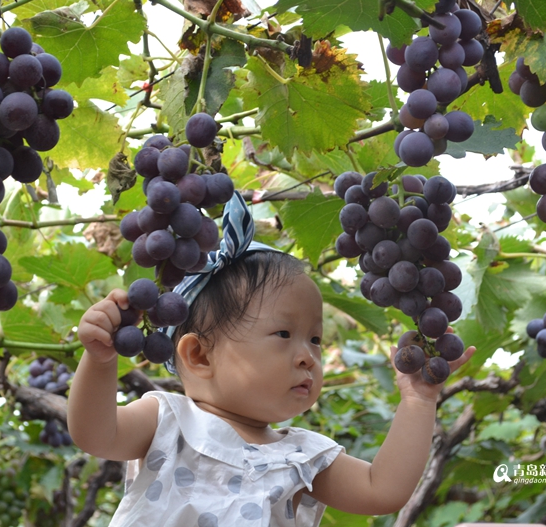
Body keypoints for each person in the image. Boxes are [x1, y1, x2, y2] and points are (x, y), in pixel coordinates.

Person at [68, 192, 475, 526]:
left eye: (314, 339)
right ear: (199, 355)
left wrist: (418, 401)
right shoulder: (168, 421)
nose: (308, 357)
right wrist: (101, 362)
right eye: (284, 334)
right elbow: (96, 434)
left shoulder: (302, 456)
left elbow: (381, 490)